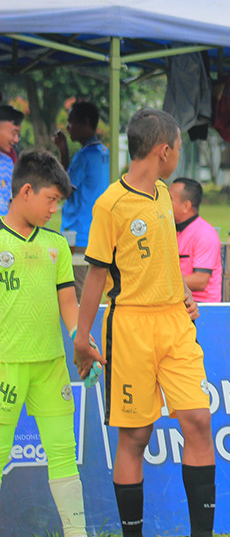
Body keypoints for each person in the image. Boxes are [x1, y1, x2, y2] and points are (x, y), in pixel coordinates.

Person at [73, 108, 215, 537]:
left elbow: (164, 254)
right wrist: (82, 336)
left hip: (175, 324)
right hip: (130, 327)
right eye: (179, 149)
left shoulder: (163, 193)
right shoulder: (110, 204)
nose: (179, 157)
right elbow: (96, 274)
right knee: (135, 436)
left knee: (198, 420)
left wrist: (183, 291)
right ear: (164, 151)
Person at [0, 149, 88, 536]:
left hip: (51, 366)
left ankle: (76, 532)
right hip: (6, 366)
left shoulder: (56, 245)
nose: (55, 209)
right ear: (26, 192)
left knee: (63, 452)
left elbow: (68, 303)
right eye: (51, 199)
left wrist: (80, 339)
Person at [53, 100, 110, 251]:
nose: (67, 128)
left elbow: (65, 190)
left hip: (78, 233)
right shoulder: (104, 152)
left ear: (85, 122)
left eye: (71, 122)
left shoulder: (84, 156)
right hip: (97, 230)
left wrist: (63, 151)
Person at [169, 177, 223, 303]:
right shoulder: (170, 230)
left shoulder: (205, 234)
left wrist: (162, 283)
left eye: (170, 199)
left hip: (201, 307)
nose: (165, 204)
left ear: (186, 205)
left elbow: (200, 280)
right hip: (176, 302)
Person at [0, 104, 24, 216]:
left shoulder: (9, 162)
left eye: (18, 135)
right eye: (14, 133)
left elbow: (11, 199)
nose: (16, 140)